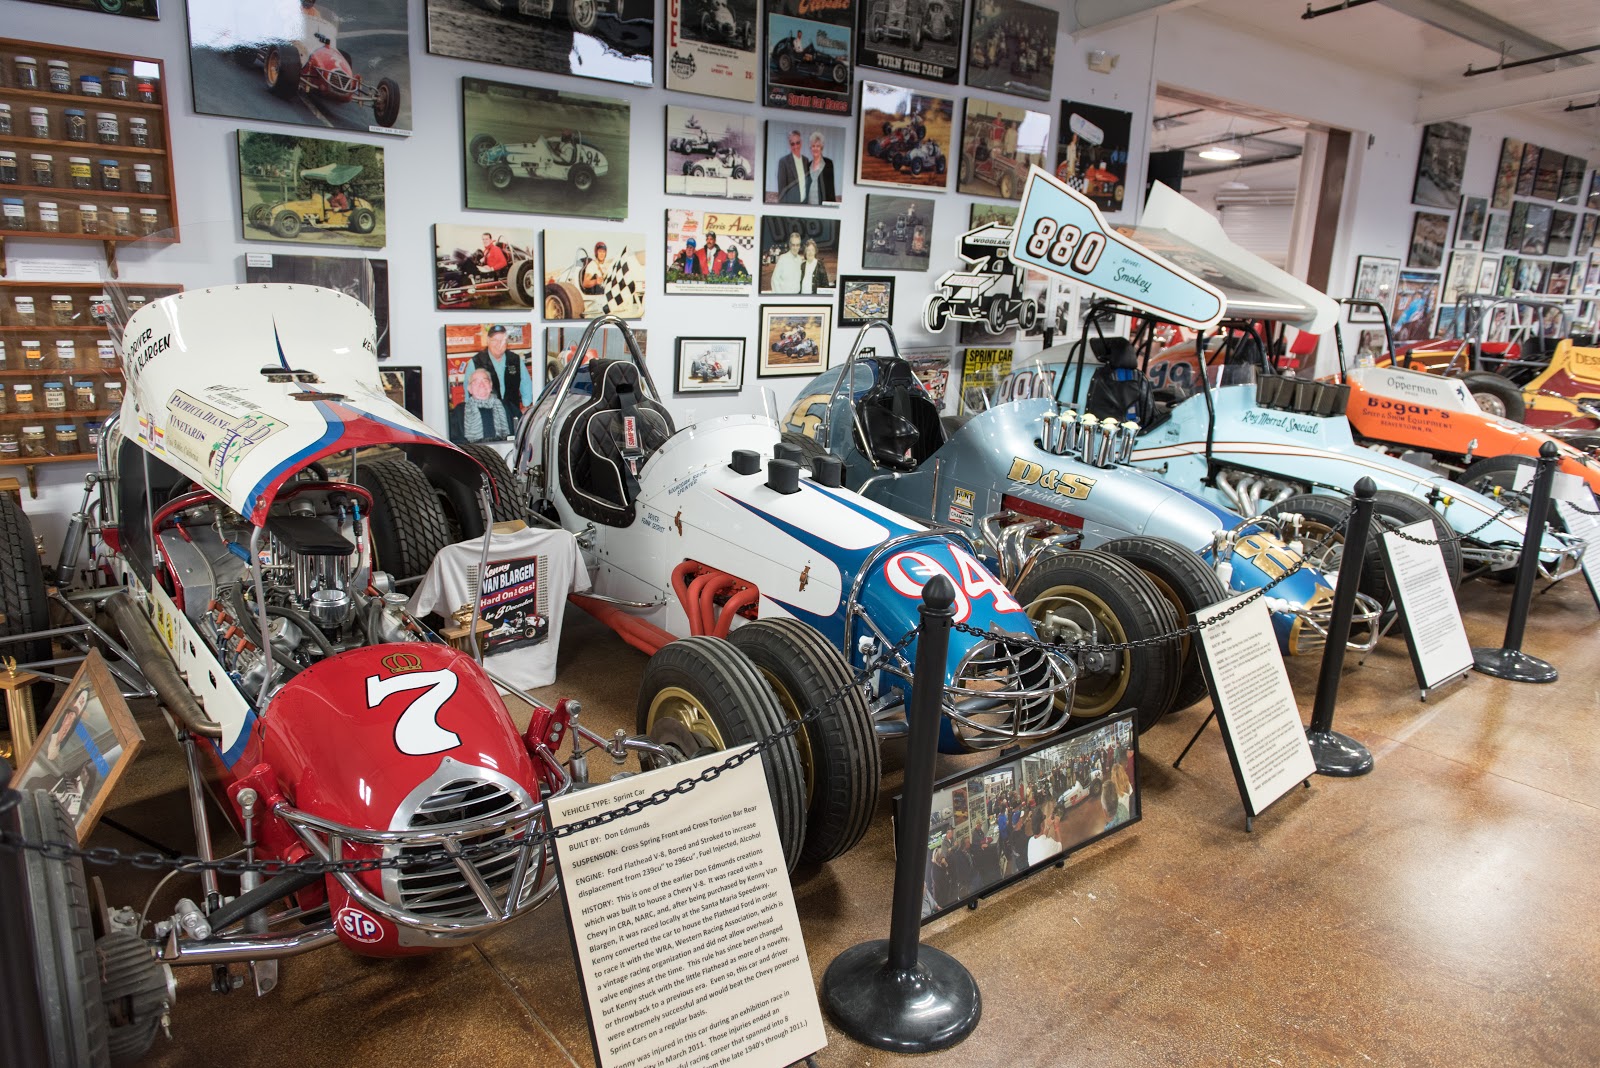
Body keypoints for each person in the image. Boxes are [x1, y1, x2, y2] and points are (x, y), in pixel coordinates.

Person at [470, 324, 531, 428]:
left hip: (512, 414)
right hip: (486, 416)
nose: (499, 344)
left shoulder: (515, 360)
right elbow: (468, 393)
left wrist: (526, 406)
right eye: (494, 340)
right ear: (488, 341)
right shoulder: (475, 362)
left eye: (502, 340)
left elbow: (526, 384)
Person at [449, 366, 511, 443]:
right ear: (469, 389)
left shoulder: (507, 407)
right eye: (476, 382)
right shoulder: (459, 411)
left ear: (491, 386)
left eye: (485, 381)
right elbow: (453, 441)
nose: (481, 385)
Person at [803, 130, 836, 205]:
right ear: (810, 148)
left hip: (822, 206)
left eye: (818, 146)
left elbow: (831, 188)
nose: (815, 148)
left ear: (821, 148)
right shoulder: (807, 165)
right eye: (813, 146)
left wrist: (831, 207)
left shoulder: (828, 164)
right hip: (808, 205)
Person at [775, 130, 807, 204]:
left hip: (805, 204)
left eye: (797, 143)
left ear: (801, 143)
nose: (795, 146)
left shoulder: (806, 160)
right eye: (792, 144)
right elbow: (782, 191)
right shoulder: (783, 162)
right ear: (789, 145)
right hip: (791, 205)